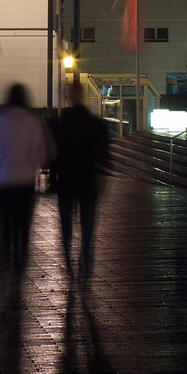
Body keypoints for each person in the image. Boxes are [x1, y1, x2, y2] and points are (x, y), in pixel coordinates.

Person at [0, 83, 57, 296]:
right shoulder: (33, 124)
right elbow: (42, 156)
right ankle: (17, 280)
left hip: (1, 185)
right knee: (22, 234)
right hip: (25, 185)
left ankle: (4, 276)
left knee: (4, 233)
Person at [49, 80, 111, 274]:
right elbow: (104, 154)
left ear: (70, 96)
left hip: (67, 182)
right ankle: (84, 258)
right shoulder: (93, 123)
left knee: (67, 227)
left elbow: (53, 153)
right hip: (86, 182)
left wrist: (53, 179)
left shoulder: (61, 123)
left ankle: (69, 260)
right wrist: (102, 182)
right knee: (87, 228)